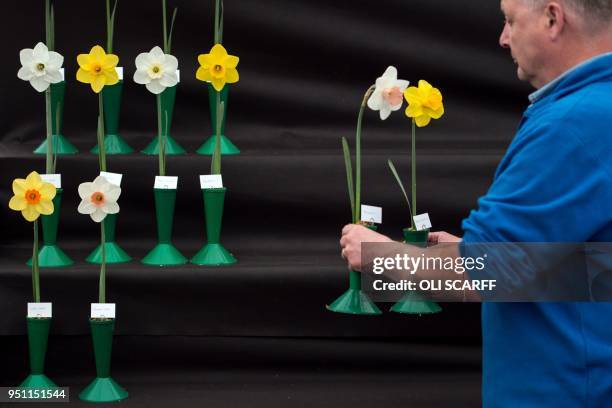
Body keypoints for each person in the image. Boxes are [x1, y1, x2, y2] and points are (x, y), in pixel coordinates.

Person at [339, 0, 612, 406]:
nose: (503, 38)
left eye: (510, 20)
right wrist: (505, 253)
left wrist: (378, 256)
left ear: (553, 19)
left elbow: (481, 275)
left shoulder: (573, 124)